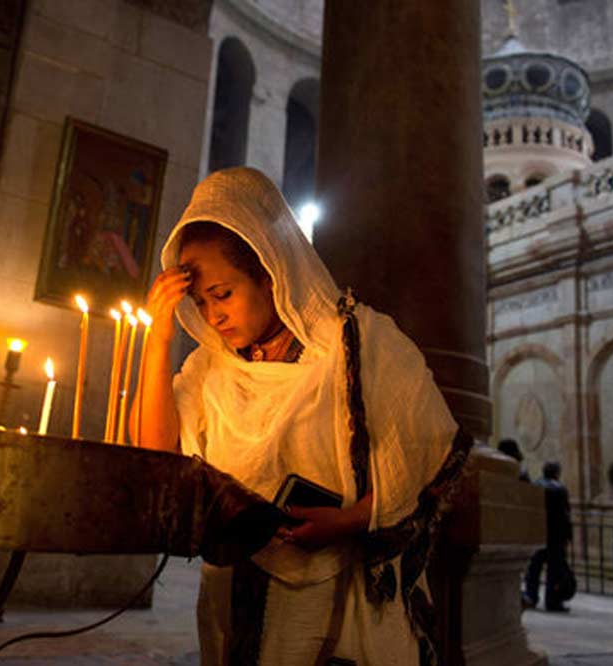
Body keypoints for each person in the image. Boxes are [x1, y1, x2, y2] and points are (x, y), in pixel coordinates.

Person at [131, 167, 472, 665]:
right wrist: (157, 339)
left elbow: (431, 459)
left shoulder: (358, 345)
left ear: (271, 273)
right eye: (199, 301)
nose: (212, 316)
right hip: (231, 595)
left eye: (223, 294)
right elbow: (154, 458)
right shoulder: (210, 368)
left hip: (340, 598)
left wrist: (349, 520)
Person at [522, 461, 574, 612]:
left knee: (534, 569)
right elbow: (565, 515)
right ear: (557, 473)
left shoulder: (535, 485)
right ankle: (553, 601)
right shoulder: (560, 489)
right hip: (555, 537)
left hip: (537, 534)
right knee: (554, 570)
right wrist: (567, 536)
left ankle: (531, 597)